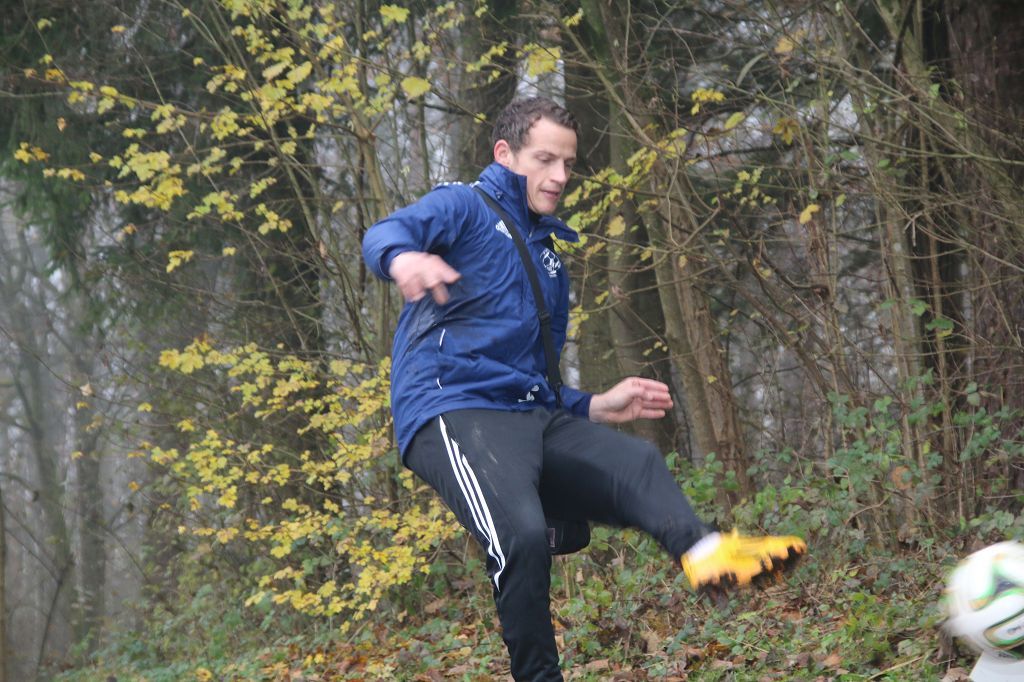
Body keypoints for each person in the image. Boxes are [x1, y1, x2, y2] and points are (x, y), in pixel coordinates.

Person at [362, 96, 806, 681]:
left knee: (637, 462)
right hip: (453, 407)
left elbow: (536, 378)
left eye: (568, 164)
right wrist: (402, 260)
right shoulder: (463, 206)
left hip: (528, 414)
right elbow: (385, 231)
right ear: (505, 153)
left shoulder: (548, 259)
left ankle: (704, 552)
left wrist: (594, 405)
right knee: (521, 536)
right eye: (545, 160)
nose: (560, 176)